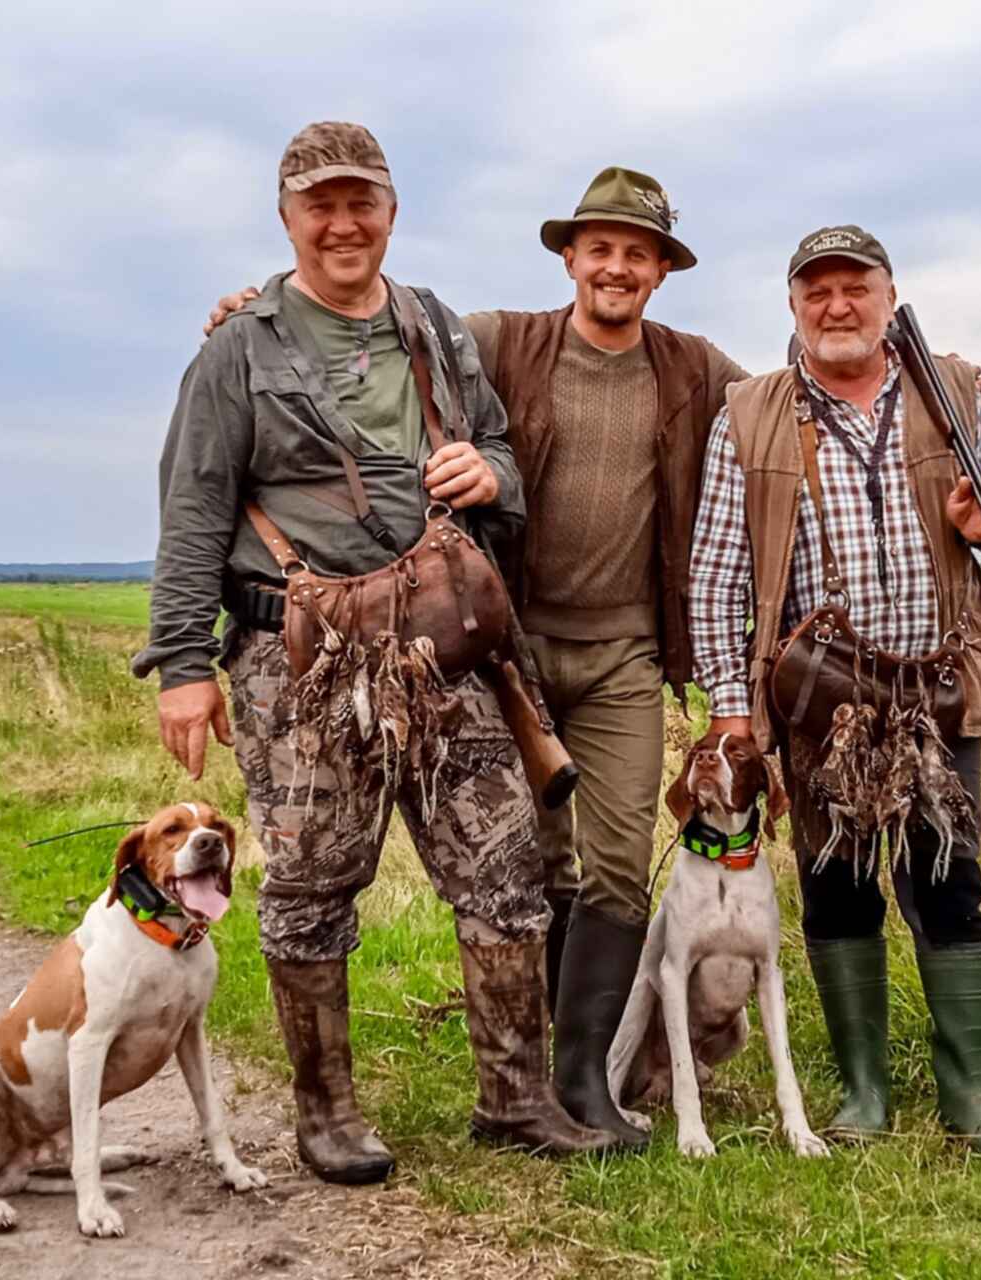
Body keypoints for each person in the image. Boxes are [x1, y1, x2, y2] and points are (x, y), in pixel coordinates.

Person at [205, 167, 748, 1148]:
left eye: (639, 251)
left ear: (663, 269)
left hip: (626, 649)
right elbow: (365, 330)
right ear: (571, 256)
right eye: (601, 246)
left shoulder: (695, 367)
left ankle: (584, 1077)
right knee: (527, 866)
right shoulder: (500, 336)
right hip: (504, 641)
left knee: (621, 859)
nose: (617, 265)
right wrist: (255, 315)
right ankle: (527, 1078)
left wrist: (927, 384)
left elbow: (785, 408)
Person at [132, 121, 618, 1186]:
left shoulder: (435, 328)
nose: (344, 222)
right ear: (288, 218)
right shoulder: (237, 349)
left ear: (392, 211)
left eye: (363, 201)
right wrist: (181, 665)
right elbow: (192, 508)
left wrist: (490, 475)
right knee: (311, 885)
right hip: (299, 658)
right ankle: (328, 1116)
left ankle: (517, 1098)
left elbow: (496, 445)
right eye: (321, 204)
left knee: (506, 869)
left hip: (446, 655)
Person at [689, 225, 981, 1156]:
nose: (837, 306)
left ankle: (968, 1103)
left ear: (889, 296)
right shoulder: (749, 413)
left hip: (936, 690)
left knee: (948, 885)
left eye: (856, 287)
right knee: (838, 886)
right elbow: (718, 573)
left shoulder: (951, 389)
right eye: (818, 291)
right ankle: (863, 1096)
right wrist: (731, 706)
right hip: (822, 700)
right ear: (793, 307)